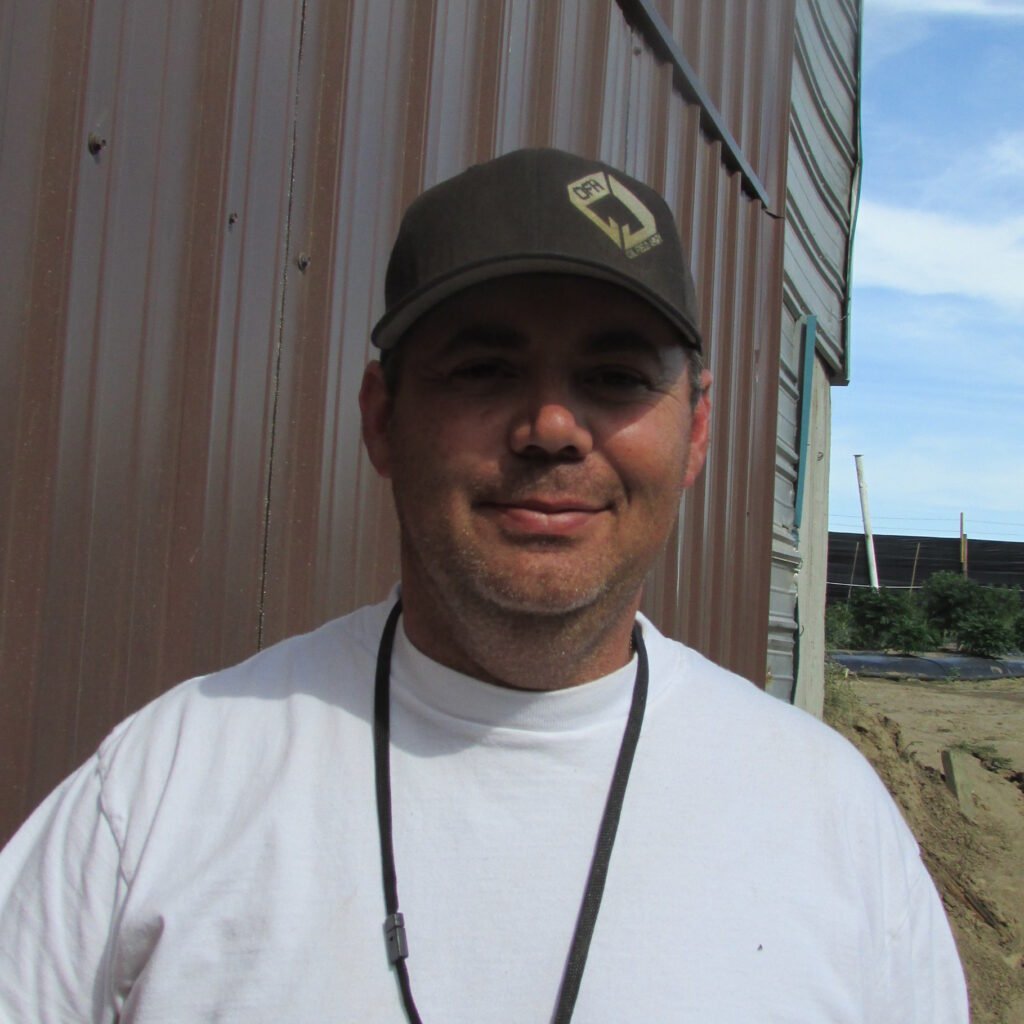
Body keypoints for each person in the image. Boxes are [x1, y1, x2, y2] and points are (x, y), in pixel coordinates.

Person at [0, 148, 967, 1022]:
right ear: (382, 419)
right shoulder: (159, 794)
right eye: (485, 368)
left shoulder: (831, 822)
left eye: (619, 376)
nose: (552, 426)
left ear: (697, 434)